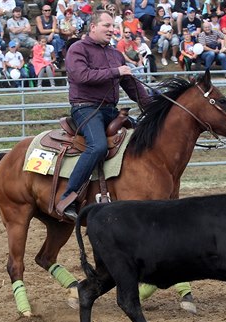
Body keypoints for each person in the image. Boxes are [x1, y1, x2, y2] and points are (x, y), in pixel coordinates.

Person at [58, 9, 150, 221]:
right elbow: (81, 76)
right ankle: (68, 197)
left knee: (143, 138)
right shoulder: (78, 49)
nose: (111, 30)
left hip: (110, 110)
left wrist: (154, 106)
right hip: (85, 108)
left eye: (113, 26)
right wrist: (117, 72)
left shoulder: (115, 54)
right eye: (106, 26)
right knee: (97, 146)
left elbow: (132, 86)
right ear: (93, 27)